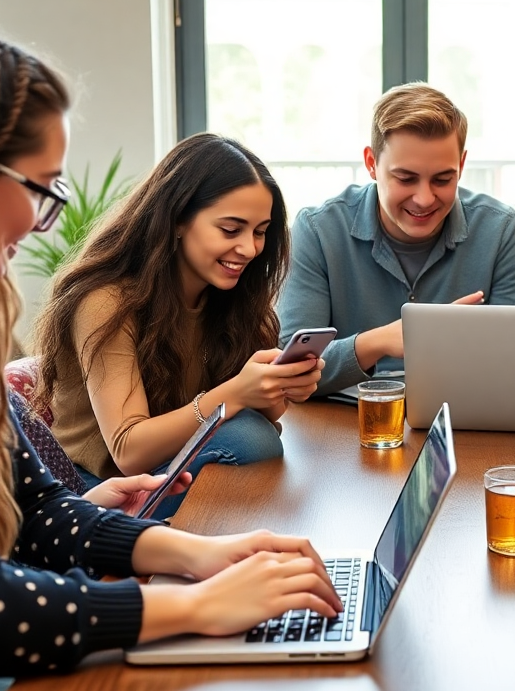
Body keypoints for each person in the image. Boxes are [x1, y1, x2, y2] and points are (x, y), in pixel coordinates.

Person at [0, 13, 340, 691]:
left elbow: (40, 509)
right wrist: (196, 606)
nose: (42, 221)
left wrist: (203, 555)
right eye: (40, 188)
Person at [35, 133, 322, 519]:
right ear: (176, 221)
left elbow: (258, 417)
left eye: (259, 232)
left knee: (257, 437)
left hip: (170, 466)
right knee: (250, 438)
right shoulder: (106, 302)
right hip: (100, 489)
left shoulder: (229, 299)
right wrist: (237, 393)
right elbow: (128, 451)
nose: (250, 249)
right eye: (230, 229)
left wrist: (275, 389)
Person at [276, 83, 515, 396]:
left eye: (443, 179)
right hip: (342, 419)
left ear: (461, 165)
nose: (424, 198)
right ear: (371, 164)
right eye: (405, 178)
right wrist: (379, 341)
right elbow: (290, 372)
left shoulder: (502, 231)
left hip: (465, 416)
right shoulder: (318, 231)